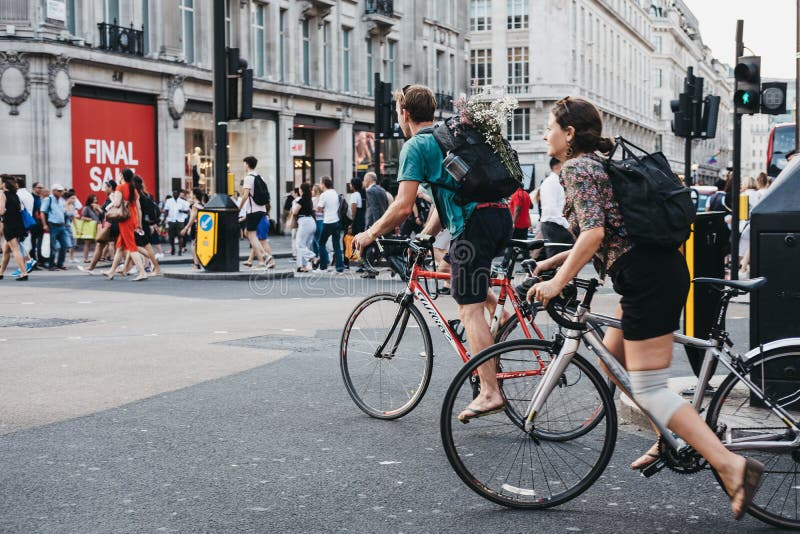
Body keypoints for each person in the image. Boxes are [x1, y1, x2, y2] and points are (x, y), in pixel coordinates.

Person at [526, 96, 761, 519]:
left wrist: (557, 282)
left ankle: (732, 465)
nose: (545, 133)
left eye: (549, 126)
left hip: (648, 280)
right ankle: (665, 435)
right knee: (613, 360)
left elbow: (595, 233)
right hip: (651, 272)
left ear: (570, 133)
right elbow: (611, 231)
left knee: (651, 387)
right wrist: (552, 261)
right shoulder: (596, 164)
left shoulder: (578, 168)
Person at [353, 83, 512, 416]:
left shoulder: (417, 146)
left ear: (404, 113)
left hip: (474, 226)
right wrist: (426, 235)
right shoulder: (447, 138)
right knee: (462, 273)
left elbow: (401, 206)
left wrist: (369, 233)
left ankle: (490, 391)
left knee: (468, 309)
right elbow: (447, 196)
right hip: (499, 217)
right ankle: (504, 315)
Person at [103, 169, 147, 281]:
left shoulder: (120, 188)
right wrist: (139, 223)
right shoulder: (134, 189)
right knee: (120, 247)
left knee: (132, 247)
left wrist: (112, 197)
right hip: (132, 219)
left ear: (122, 176)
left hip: (124, 220)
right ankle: (111, 271)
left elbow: (117, 204)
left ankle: (142, 272)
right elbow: (139, 208)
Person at [238, 156, 275, 269]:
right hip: (262, 209)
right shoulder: (260, 177)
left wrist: (239, 208)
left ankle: (264, 255)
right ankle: (262, 260)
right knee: (251, 235)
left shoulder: (248, 178)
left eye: (244, 164)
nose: (244, 166)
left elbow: (245, 196)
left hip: (253, 210)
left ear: (247, 165)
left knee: (251, 235)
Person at [78, 180, 118, 275]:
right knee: (103, 245)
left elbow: (108, 212)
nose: (104, 189)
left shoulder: (112, 197)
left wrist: (98, 209)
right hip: (109, 225)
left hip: (111, 225)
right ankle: (91, 267)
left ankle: (140, 265)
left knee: (124, 247)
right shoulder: (111, 197)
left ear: (110, 187)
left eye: (106, 187)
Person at [537, 157, 574, 259]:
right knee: (557, 261)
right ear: (557, 166)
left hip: (557, 224)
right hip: (554, 225)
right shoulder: (551, 182)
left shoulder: (558, 181)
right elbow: (552, 210)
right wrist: (568, 226)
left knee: (564, 259)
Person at [361, 171, 390, 278]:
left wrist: (373, 226)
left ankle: (370, 270)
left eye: (364, 180)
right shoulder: (382, 190)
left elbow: (373, 209)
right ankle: (370, 270)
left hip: (373, 223)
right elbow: (384, 207)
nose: (363, 182)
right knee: (377, 247)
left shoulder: (370, 191)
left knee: (365, 248)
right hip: (383, 222)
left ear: (368, 180)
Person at [0, 175, 29, 280]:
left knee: (15, 249)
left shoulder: (4, 195)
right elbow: (20, 209)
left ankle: (24, 273)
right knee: (6, 250)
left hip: (9, 225)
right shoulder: (15, 195)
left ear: (4, 184)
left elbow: (1, 211)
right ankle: (1, 273)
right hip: (17, 224)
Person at [316, 176, 344, 273]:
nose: (320, 185)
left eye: (320, 183)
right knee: (336, 245)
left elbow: (319, 208)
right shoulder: (335, 193)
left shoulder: (324, 195)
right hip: (336, 221)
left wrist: (321, 209)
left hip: (328, 221)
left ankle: (323, 266)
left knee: (321, 243)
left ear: (323, 184)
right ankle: (340, 268)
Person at [40, 183, 70, 270]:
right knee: (53, 246)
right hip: (52, 225)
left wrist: (64, 221)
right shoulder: (48, 199)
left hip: (61, 225)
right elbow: (42, 212)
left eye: (61, 191)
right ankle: (51, 265)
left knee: (64, 245)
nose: (61, 192)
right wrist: (44, 225)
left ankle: (60, 263)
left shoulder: (61, 200)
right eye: (59, 191)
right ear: (54, 191)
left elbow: (63, 212)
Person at [292, 182, 318, 272]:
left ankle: (313, 258)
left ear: (301, 190)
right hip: (311, 222)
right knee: (305, 245)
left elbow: (295, 212)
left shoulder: (301, 200)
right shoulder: (309, 200)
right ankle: (303, 266)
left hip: (304, 222)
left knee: (299, 244)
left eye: (299, 188)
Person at [164, 190, 190, 255]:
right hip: (171, 220)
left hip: (180, 220)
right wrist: (164, 219)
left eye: (176, 193)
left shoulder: (183, 202)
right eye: (174, 193)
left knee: (180, 236)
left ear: (178, 194)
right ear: (172, 194)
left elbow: (187, 211)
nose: (175, 194)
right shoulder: (169, 201)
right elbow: (166, 210)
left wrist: (182, 211)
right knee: (171, 236)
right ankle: (173, 248)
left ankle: (180, 250)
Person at [79, 194, 102, 263]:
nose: (96, 201)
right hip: (89, 227)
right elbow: (82, 217)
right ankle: (85, 258)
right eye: (94, 199)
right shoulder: (86, 208)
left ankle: (96, 258)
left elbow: (102, 215)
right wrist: (91, 219)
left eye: (96, 199)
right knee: (87, 243)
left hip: (97, 227)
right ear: (90, 200)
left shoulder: (97, 207)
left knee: (98, 243)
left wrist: (97, 209)